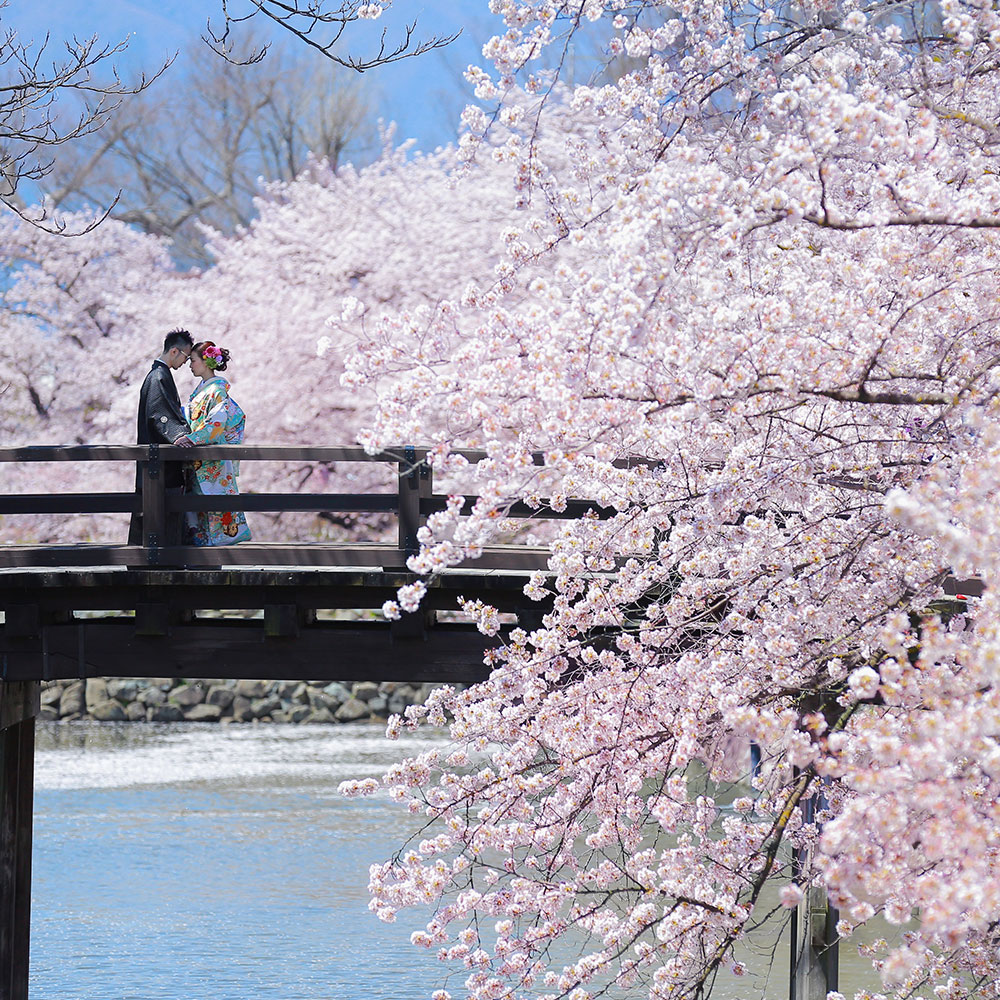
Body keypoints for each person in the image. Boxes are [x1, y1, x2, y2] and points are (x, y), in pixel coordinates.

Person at [127, 329, 194, 546]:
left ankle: (159, 557)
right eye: (186, 356)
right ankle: (160, 559)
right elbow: (159, 414)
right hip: (159, 464)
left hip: (157, 461)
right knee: (160, 508)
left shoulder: (159, 374)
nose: (186, 362)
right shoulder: (158, 376)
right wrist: (177, 435)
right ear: (174, 351)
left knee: (158, 509)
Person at [184, 341, 251, 546]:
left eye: (193, 360)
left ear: (206, 361)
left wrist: (191, 438)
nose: (190, 365)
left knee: (215, 506)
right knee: (201, 507)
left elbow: (216, 424)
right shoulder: (204, 390)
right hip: (200, 458)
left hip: (212, 458)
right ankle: (204, 556)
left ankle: (213, 558)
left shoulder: (217, 390)